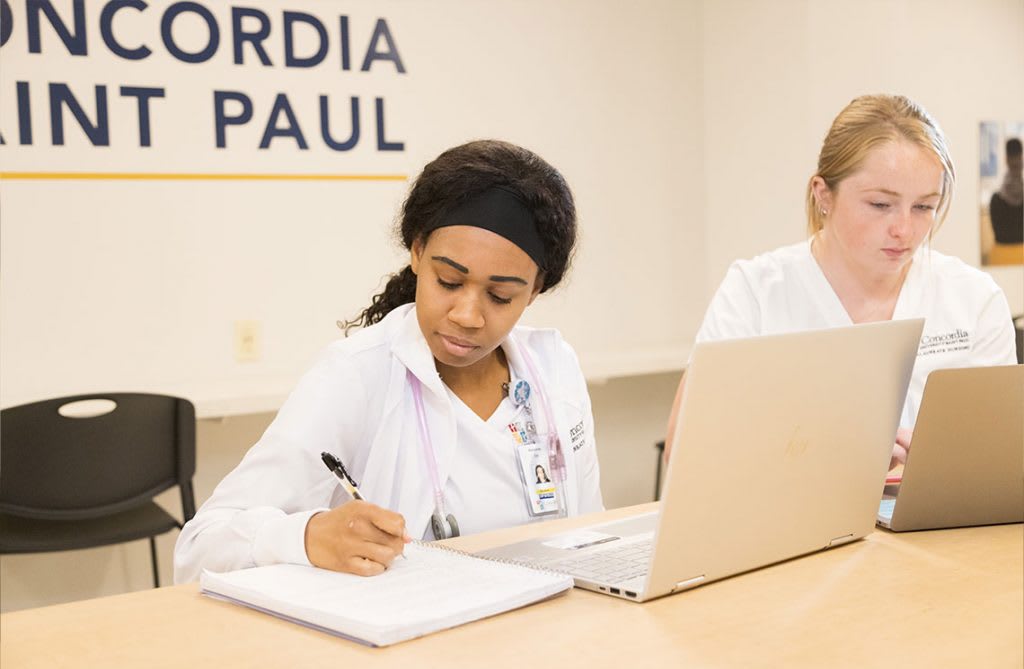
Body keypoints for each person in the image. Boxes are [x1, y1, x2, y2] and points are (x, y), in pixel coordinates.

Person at [174, 140, 604, 582]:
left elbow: (589, 530)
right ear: (417, 252)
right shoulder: (357, 374)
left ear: (534, 291)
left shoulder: (553, 368)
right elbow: (199, 547)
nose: (467, 316)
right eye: (449, 281)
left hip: (547, 632)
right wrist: (308, 536)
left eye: (501, 296)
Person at [664, 94, 1017, 467]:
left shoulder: (974, 300)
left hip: (941, 523)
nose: (904, 230)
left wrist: (940, 457)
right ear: (823, 195)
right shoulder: (754, 293)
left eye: (924, 207)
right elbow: (685, 454)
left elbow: (1002, 458)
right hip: (791, 523)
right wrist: (826, 456)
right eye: (880, 205)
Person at [989, 137, 1023, 245]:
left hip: (1001, 254)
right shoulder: (996, 199)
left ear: (1006, 160)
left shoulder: (996, 200)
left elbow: (999, 237)